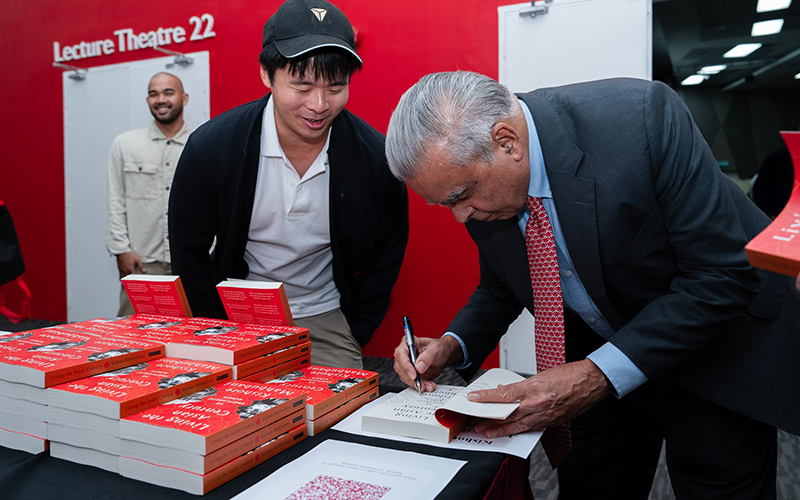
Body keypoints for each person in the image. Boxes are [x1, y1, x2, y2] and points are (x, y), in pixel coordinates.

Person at [386, 71, 800, 499]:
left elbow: (723, 274)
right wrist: (452, 344)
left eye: (459, 196)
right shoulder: (482, 189)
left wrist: (598, 373)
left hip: (713, 347)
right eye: (444, 204)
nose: (459, 216)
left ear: (506, 142)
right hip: (598, 350)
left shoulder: (643, 118)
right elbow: (502, 284)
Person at [169, 0, 408, 370]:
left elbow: (388, 252)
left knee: (338, 413)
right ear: (267, 74)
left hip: (324, 313)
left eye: (335, 87)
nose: (319, 104)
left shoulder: (375, 158)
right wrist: (210, 324)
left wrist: (357, 327)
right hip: (235, 313)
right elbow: (188, 250)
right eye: (302, 86)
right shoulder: (213, 148)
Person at [106, 72, 191, 316]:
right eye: (154, 94)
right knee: (133, 338)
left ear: (184, 98)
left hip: (189, 263)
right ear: (147, 100)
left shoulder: (201, 143)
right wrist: (121, 249)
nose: (160, 99)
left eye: (168, 92)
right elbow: (116, 200)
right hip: (143, 264)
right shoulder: (125, 144)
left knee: (189, 338)